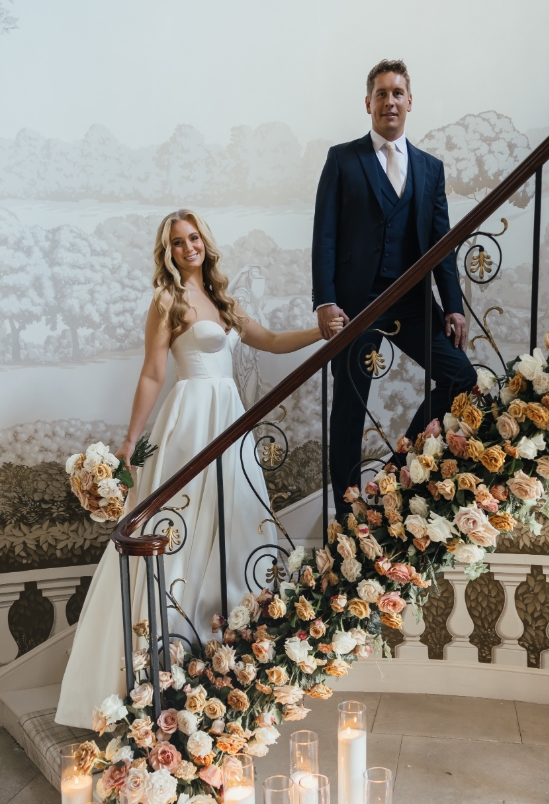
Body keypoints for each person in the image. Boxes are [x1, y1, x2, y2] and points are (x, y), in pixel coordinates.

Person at [56, 209, 343, 729]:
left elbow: (271, 341)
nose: (188, 247)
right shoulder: (168, 300)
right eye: (177, 242)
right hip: (191, 421)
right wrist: (129, 440)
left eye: (193, 238)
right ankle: (160, 665)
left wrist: (321, 333)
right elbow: (152, 372)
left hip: (229, 420)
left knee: (232, 523)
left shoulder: (223, 301)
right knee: (181, 530)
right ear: (167, 252)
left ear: (205, 244)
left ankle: (221, 650)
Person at [312, 58, 477, 519]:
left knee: (461, 377)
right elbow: (324, 234)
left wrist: (454, 307)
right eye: (381, 93)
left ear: (409, 102)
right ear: (368, 103)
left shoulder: (430, 169)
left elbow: (442, 246)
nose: (390, 101)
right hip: (355, 306)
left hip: (412, 302)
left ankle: (396, 471)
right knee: (349, 408)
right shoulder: (343, 159)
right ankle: (346, 519)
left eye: (397, 93)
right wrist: (325, 301)